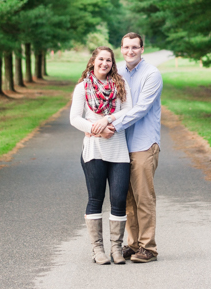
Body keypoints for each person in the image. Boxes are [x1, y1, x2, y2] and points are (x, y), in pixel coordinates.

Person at [90, 32, 163, 263]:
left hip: (143, 144)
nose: (130, 51)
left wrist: (110, 122)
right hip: (121, 145)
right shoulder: (117, 71)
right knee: (126, 198)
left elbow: (140, 109)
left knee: (143, 198)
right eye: (126, 47)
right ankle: (132, 244)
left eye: (134, 47)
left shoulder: (152, 75)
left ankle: (148, 248)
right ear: (120, 49)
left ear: (142, 48)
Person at [69, 46, 133, 265]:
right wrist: (96, 129)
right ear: (93, 61)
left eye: (109, 60)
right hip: (94, 149)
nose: (105, 63)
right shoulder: (82, 87)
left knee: (118, 199)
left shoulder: (120, 84)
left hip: (118, 150)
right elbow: (75, 118)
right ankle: (98, 250)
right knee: (96, 199)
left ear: (112, 63)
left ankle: (116, 248)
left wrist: (108, 120)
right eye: (101, 59)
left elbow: (128, 111)